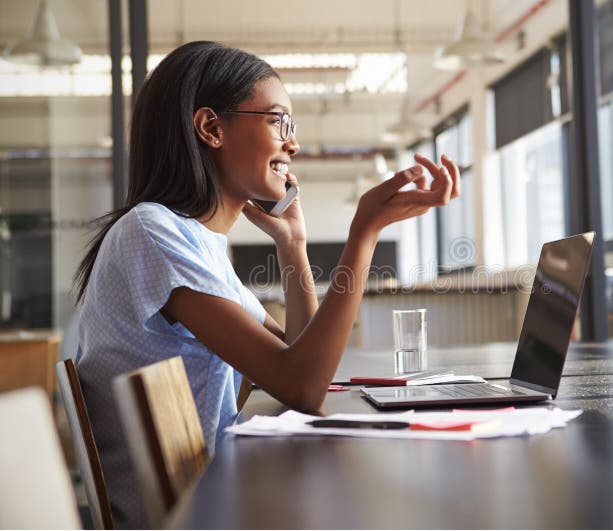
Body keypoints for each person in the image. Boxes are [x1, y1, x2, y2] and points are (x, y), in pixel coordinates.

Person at [73, 41, 459, 528]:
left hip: (212, 494)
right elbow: (302, 383)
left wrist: (293, 244)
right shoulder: (153, 232)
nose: (292, 144)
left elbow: (299, 355)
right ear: (211, 128)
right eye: (279, 121)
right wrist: (364, 233)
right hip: (192, 514)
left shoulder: (195, 241)